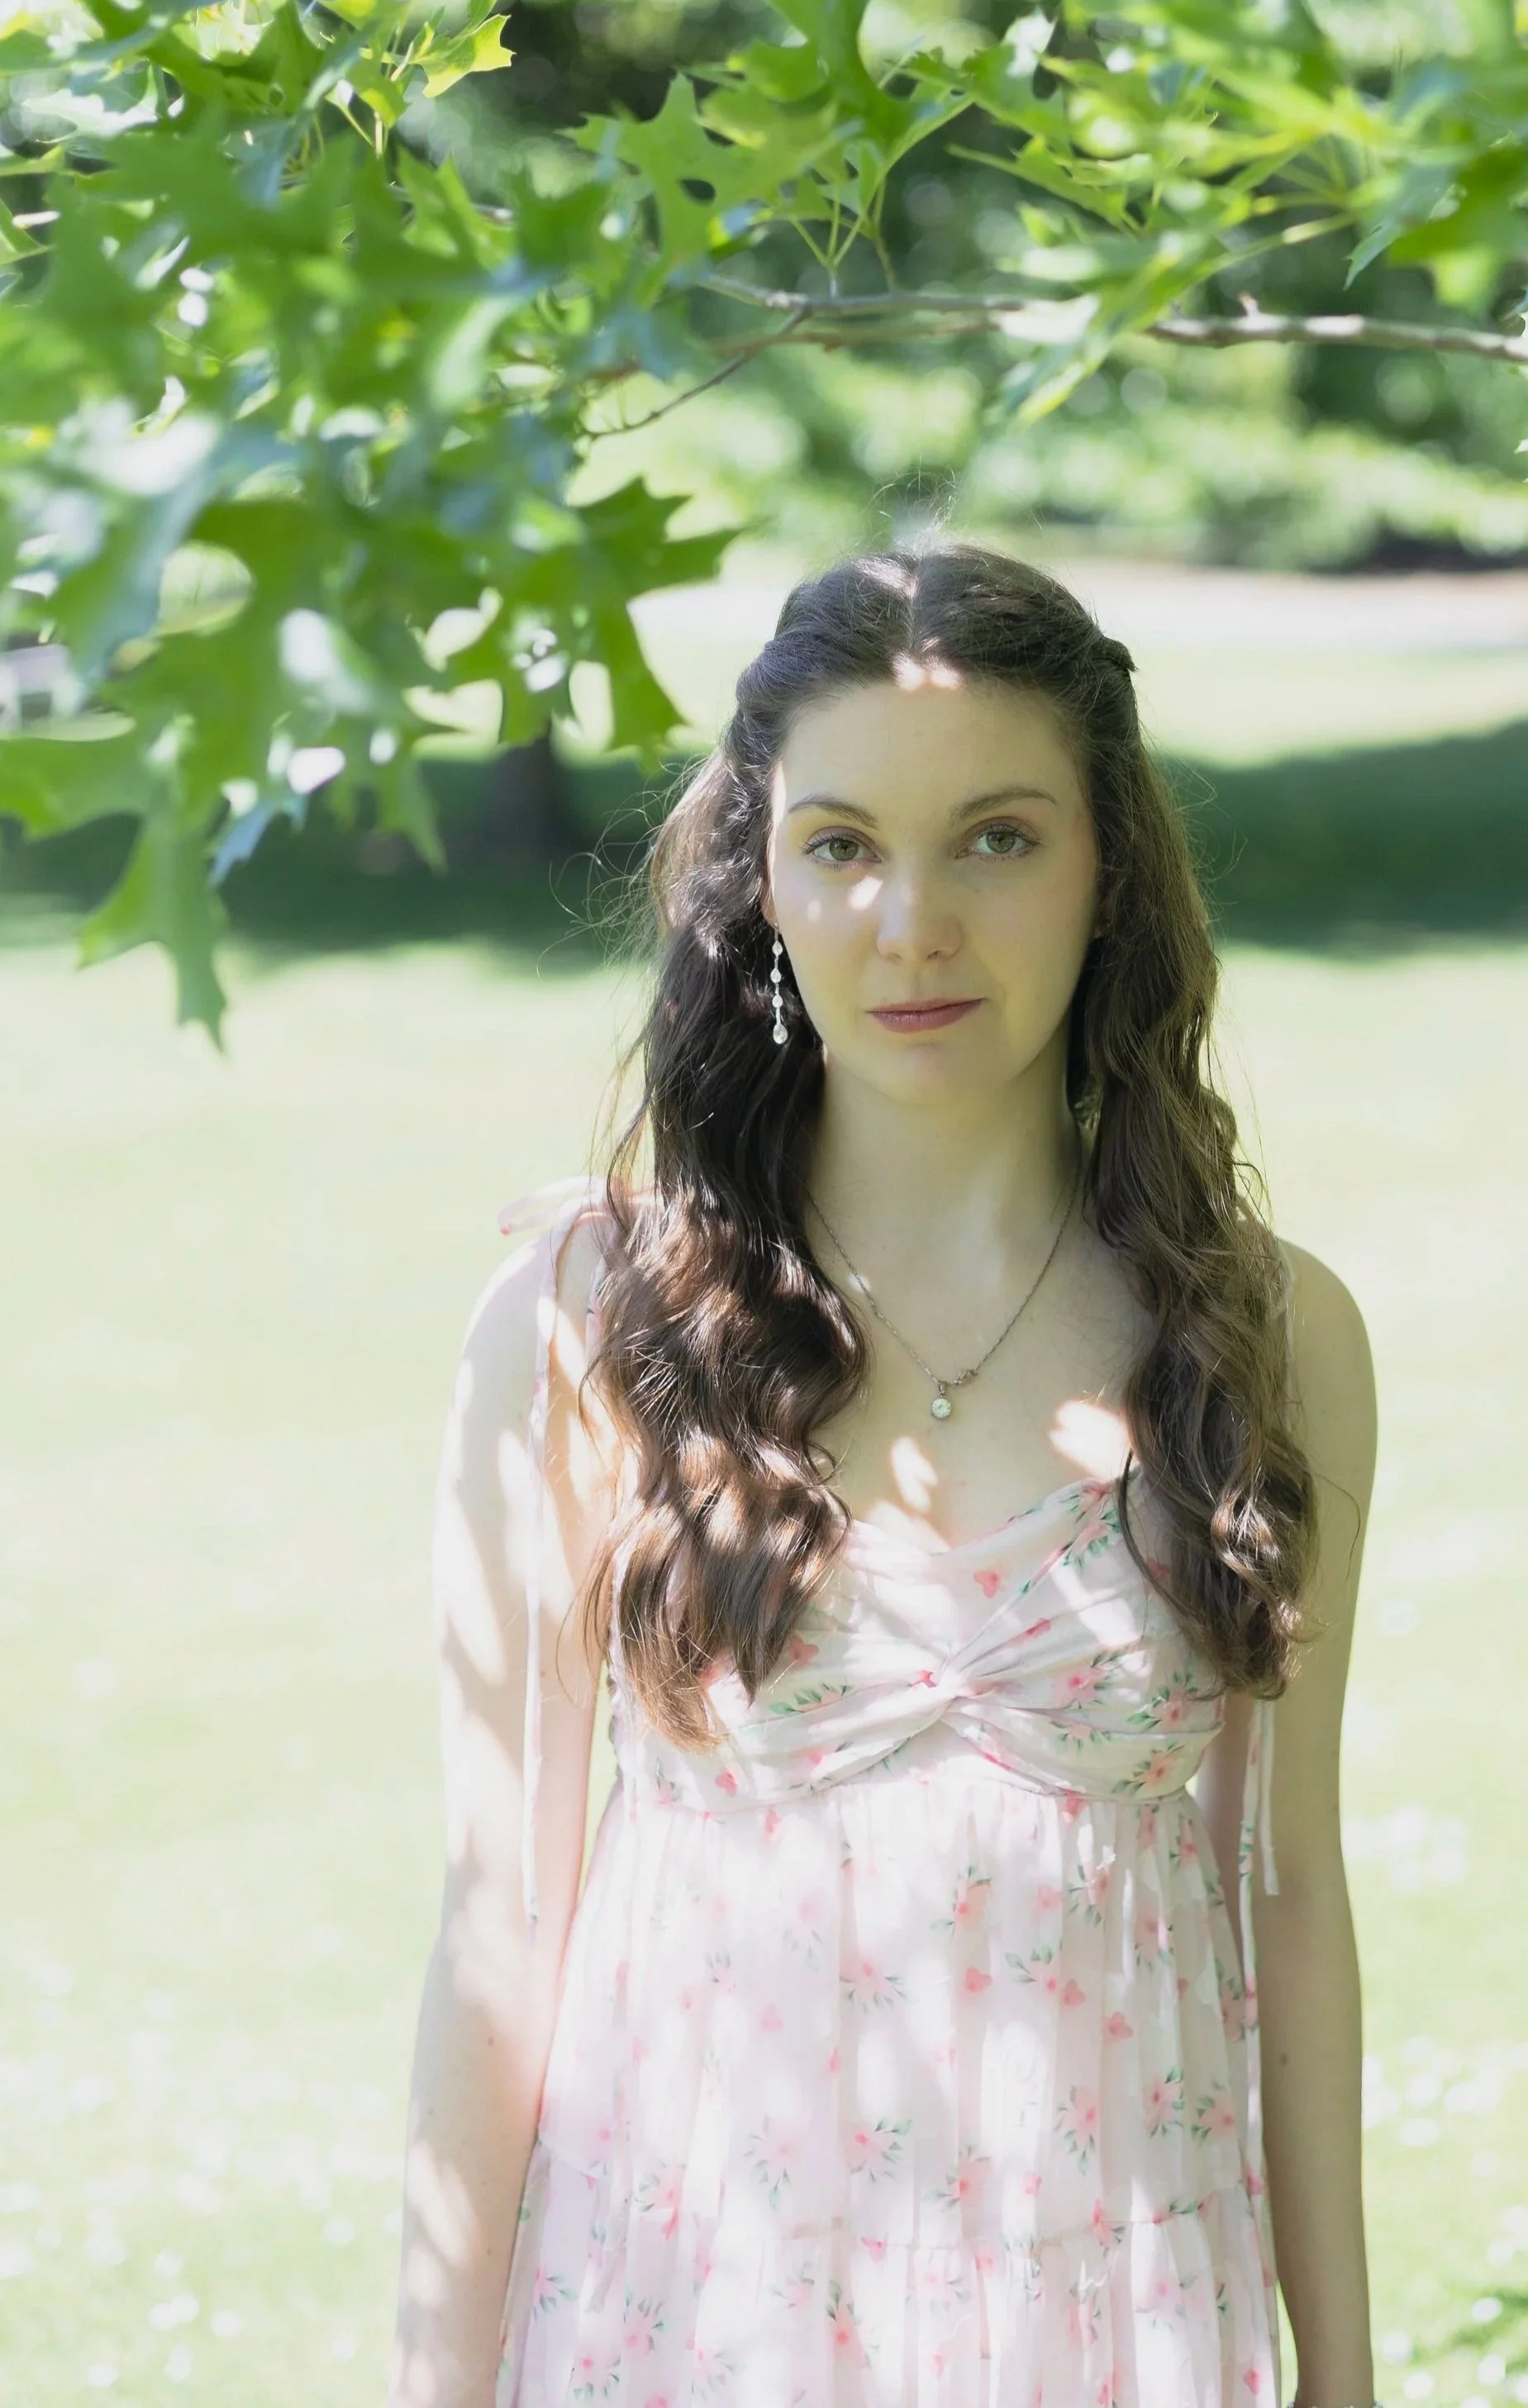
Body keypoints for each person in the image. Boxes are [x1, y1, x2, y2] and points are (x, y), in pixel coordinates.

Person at [389, 545, 1378, 2408]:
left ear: (1107, 880)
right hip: (693, 2313)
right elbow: (498, 1912)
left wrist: (1339, 2376)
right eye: (840, 844)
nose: (908, 921)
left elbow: (1291, 1902)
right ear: (759, 885)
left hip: (1114, 2302)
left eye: (994, 838)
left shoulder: (1262, 1337)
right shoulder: (594, 1324)